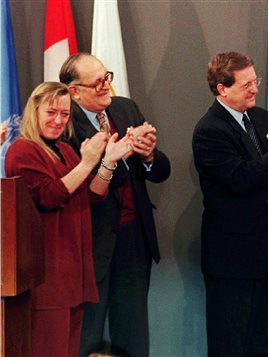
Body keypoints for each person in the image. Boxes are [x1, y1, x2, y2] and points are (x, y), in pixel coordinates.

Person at [192, 51, 268, 356]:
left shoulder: (261, 118)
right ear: (222, 88)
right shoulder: (210, 130)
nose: (255, 89)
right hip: (235, 262)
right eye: (246, 84)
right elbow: (240, 179)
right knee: (232, 344)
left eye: (255, 80)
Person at [5, 81, 132, 356]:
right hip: (47, 274)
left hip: (73, 271)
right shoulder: (23, 150)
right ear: (34, 110)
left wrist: (108, 160)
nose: (58, 120)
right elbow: (48, 197)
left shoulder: (65, 150)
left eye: (64, 114)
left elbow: (93, 195)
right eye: (51, 112)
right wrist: (87, 163)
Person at [58, 53, 171, 357]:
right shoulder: (64, 125)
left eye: (107, 77)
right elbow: (78, 186)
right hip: (91, 242)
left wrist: (147, 155)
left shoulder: (125, 108)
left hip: (134, 237)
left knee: (133, 331)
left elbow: (161, 171)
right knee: (87, 333)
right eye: (97, 83)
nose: (106, 86)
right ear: (74, 91)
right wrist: (115, 154)